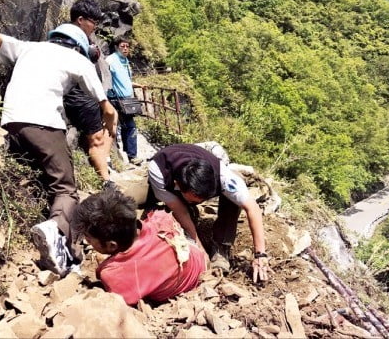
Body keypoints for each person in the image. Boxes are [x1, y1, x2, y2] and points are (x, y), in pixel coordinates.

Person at [0, 20, 118, 277]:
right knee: (65, 188)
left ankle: (65, 242)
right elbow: (107, 107)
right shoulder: (77, 59)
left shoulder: (28, 48)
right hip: (44, 125)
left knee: (43, 174)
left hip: (10, 123)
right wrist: (110, 124)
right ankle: (55, 234)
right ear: (78, 47)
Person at [147, 144, 269, 283]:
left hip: (195, 183)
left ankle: (221, 247)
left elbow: (252, 208)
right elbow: (180, 211)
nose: (202, 201)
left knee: (234, 200)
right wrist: (199, 248)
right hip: (170, 191)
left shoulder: (223, 176)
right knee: (165, 215)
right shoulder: (159, 171)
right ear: (178, 185)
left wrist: (260, 254)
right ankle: (189, 223)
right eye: (196, 199)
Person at [73, 188, 207, 305]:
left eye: (89, 239)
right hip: (199, 262)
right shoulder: (160, 218)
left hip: (191, 284)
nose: (87, 241)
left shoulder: (113, 273)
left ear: (112, 245)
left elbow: (123, 300)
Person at [63, 0, 116, 186]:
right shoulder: (70, 40)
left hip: (87, 93)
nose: (95, 26)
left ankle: (106, 161)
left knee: (110, 122)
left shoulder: (74, 38)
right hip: (78, 95)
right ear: (80, 19)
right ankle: (106, 180)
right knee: (96, 138)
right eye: (93, 22)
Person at [106, 36, 142, 165]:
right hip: (116, 99)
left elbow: (125, 80)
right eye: (123, 46)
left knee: (127, 127)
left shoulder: (125, 61)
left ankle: (129, 156)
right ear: (116, 47)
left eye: (127, 46)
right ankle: (120, 157)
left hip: (127, 100)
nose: (126, 48)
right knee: (123, 127)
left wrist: (138, 85)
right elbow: (106, 79)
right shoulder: (110, 60)